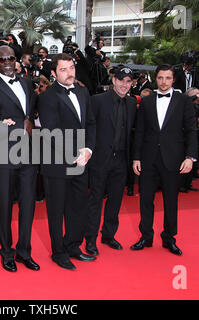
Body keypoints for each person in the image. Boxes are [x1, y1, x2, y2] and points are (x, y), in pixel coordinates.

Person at [0, 45, 40, 272]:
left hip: (28, 153)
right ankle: (7, 252)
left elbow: (30, 113)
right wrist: (18, 125)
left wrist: (25, 122)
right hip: (4, 154)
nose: (7, 62)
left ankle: (24, 251)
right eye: (2, 59)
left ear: (16, 60)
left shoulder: (25, 82)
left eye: (10, 58)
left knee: (28, 204)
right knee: (5, 205)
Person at [38, 53, 97, 270]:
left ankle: (73, 245)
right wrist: (76, 153)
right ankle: (58, 252)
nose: (69, 73)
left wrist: (88, 150)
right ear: (53, 73)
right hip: (56, 163)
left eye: (71, 68)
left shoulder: (83, 91)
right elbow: (51, 131)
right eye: (63, 69)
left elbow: (91, 123)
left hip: (81, 160)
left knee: (78, 206)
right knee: (56, 210)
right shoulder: (47, 97)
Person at [131, 64, 198, 255]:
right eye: (160, 78)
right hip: (148, 157)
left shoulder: (183, 101)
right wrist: (136, 157)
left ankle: (169, 238)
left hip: (173, 158)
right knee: (145, 199)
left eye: (167, 78)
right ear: (156, 78)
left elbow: (192, 131)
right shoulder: (146, 101)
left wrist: (190, 157)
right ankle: (146, 236)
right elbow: (140, 132)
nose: (163, 82)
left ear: (173, 79)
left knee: (171, 201)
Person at [84, 67, 137, 256]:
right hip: (100, 159)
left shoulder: (132, 103)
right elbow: (89, 128)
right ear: (114, 80)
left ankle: (108, 234)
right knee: (95, 200)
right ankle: (90, 239)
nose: (124, 85)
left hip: (121, 159)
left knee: (115, 199)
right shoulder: (97, 100)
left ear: (132, 84)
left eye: (128, 81)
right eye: (121, 80)